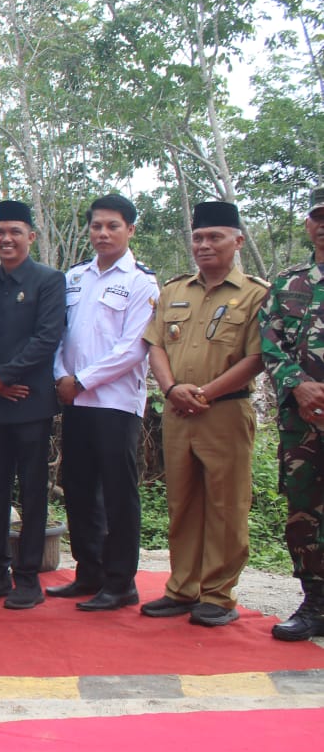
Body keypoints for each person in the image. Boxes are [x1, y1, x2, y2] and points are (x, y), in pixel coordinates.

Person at [139, 201, 268, 627]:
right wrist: (173, 389)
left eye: (215, 237)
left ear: (237, 241)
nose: (205, 245)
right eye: (198, 237)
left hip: (225, 413)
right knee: (183, 502)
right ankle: (182, 588)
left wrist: (206, 392)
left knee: (226, 505)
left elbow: (257, 357)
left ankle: (217, 594)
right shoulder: (174, 291)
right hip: (179, 412)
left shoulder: (255, 294)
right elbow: (155, 344)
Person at [51, 194, 160, 611]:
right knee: (78, 489)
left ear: (130, 229)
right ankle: (89, 571)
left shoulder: (141, 282)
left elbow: (134, 347)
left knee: (117, 493)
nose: (103, 233)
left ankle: (120, 582)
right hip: (73, 400)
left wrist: (81, 380)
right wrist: (61, 375)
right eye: (96, 226)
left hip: (115, 403)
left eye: (112, 226)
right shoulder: (74, 277)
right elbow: (61, 335)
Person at [0, 200, 66, 609]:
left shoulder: (49, 280)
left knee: (32, 492)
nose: (6, 239)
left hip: (31, 401)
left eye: (15, 231)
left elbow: (48, 338)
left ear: (30, 236)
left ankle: (28, 576)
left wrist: (4, 376)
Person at [261, 186, 324, 641]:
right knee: (304, 513)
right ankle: (315, 603)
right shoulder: (289, 282)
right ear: (308, 225)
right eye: (318, 216)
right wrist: (298, 385)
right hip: (302, 421)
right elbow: (270, 342)